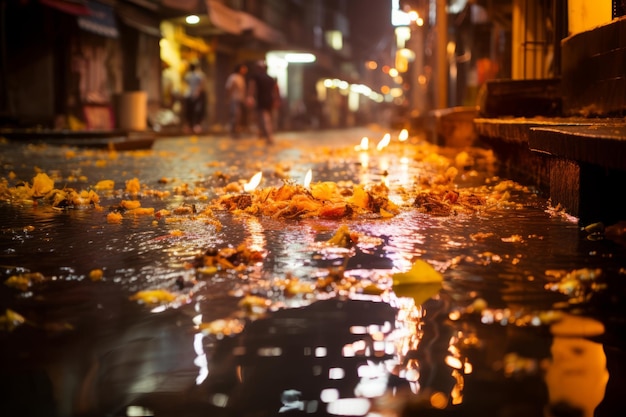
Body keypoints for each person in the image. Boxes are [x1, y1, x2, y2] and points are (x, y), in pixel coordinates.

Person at [247, 60, 279, 144]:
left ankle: (269, 136)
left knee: (264, 118)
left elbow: (252, 87)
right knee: (265, 118)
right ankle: (263, 134)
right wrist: (276, 99)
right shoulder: (270, 78)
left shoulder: (255, 77)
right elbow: (275, 90)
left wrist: (250, 97)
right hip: (270, 100)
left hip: (261, 100)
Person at [225, 63, 248, 137]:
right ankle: (233, 131)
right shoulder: (233, 77)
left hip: (240, 99)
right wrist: (228, 98)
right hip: (234, 99)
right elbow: (229, 88)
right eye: (243, 69)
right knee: (235, 115)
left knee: (239, 116)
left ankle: (236, 130)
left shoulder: (241, 77)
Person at [183, 62, 206, 134]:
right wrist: (198, 90)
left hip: (190, 95)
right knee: (195, 111)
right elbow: (202, 83)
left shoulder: (188, 75)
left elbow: (185, 84)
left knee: (192, 111)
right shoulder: (198, 75)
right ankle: (194, 125)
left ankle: (193, 125)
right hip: (195, 94)